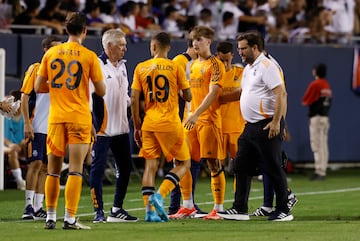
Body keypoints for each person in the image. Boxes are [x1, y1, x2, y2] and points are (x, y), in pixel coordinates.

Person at [35, 12, 106, 230]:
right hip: (79, 117)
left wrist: (59, 89)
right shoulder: (89, 56)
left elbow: (38, 87)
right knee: (75, 169)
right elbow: (101, 91)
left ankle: (49, 216)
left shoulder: (51, 53)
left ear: (66, 30)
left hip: (56, 118)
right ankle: (70, 218)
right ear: (84, 31)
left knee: (53, 170)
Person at [217, 30, 293, 221]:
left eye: (243, 49)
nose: (240, 52)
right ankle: (240, 208)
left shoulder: (267, 66)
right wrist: (219, 99)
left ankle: (283, 209)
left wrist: (277, 122)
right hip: (250, 126)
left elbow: (281, 94)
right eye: (239, 48)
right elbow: (244, 91)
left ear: (255, 47)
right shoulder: (249, 68)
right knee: (240, 165)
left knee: (273, 166)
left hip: (266, 124)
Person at [131, 31, 192, 222]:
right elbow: (188, 96)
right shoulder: (175, 67)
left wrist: (137, 126)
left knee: (150, 166)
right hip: (170, 122)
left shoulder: (141, 67)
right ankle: (160, 195)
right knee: (184, 163)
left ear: (154, 46)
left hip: (149, 122)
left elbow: (133, 98)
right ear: (168, 48)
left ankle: (149, 212)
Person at [89, 29, 138, 223]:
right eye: (122, 45)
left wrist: (132, 105)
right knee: (98, 170)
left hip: (121, 128)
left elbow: (123, 94)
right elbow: (90, 97)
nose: (125, 48)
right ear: (109, 46)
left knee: (125, 168)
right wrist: (92, 123)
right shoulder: (98, 66)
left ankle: (117, 208)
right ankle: (98, 210)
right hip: (102, 129)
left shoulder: (123, 66)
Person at [183, 25, 226, 220]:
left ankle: (218, 208)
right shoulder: (192, 65)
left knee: (213, 163)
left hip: (208, 120)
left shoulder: (215, 65)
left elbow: (214, 93)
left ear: (208, 41)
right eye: (193, 40)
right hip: (190, 120)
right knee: (182, 160)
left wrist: (196, 114)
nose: (195, 43)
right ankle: (188, 206)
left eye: (199, 39)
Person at [20, 35, 62, 220]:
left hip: (53, 127)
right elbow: (24, 97)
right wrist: (27, 123)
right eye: (55, 48)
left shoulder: (61, 71)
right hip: (37, 124)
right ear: (46, 50)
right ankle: (28, 205)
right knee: (35, 164)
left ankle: (38, 207)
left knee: (46, 167)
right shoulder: (36, 69)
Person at [168, 36, 207, 218]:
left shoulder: (196, 63)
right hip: (180, 118)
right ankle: (175, 205)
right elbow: (175, 92)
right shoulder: (180, 61)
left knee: (193, 163)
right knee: (182, 163)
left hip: (192, 118)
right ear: (193, 45)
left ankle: (187, 203)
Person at [302, 63, 332, 181]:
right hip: (325, 117)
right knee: (323, 145)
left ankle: (319, 171)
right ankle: (322, 169)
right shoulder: (326, 84)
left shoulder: (316, 84)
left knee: (317, 145)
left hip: (317, 117)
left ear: (316, 71)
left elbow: (306, 100)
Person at [4, 90, 26, 191]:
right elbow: (3, 137)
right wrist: (11, 144)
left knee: (28, 145)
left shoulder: (26, 118)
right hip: (7, 147)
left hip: (22, 147)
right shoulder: (5, 117)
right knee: (12, 152)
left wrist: (22, 142)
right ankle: (20, 181)